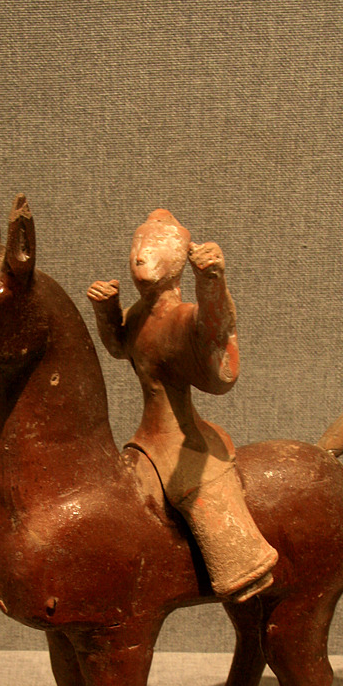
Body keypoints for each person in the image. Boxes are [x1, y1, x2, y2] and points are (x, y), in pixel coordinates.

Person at [88, 209, 277, 601]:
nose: (140, 254)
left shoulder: (185, 318)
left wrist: (212, 283)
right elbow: (120, 347)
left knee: (196, 490)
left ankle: (245, 565)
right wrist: (106, 311)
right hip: (145, 439)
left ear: (177, 259)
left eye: (154, 246)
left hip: (183, 441)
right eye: (137, 245)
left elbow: (215, 334)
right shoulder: (137, 316)